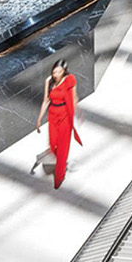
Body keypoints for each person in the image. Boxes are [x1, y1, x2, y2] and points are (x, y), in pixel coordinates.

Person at [35, 59, 81, 191]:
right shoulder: (49, 81)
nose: (56, 74)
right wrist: (39, 119)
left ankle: (60, 176)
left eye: (59, 71)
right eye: (54, 71)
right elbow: (46, 101)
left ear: (64, 71)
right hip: (53, 114)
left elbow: (73, 97)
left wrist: (76, 111)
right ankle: (60, 161)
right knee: (52, 143)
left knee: (62, 147)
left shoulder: (69, 80)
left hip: (64, 115)